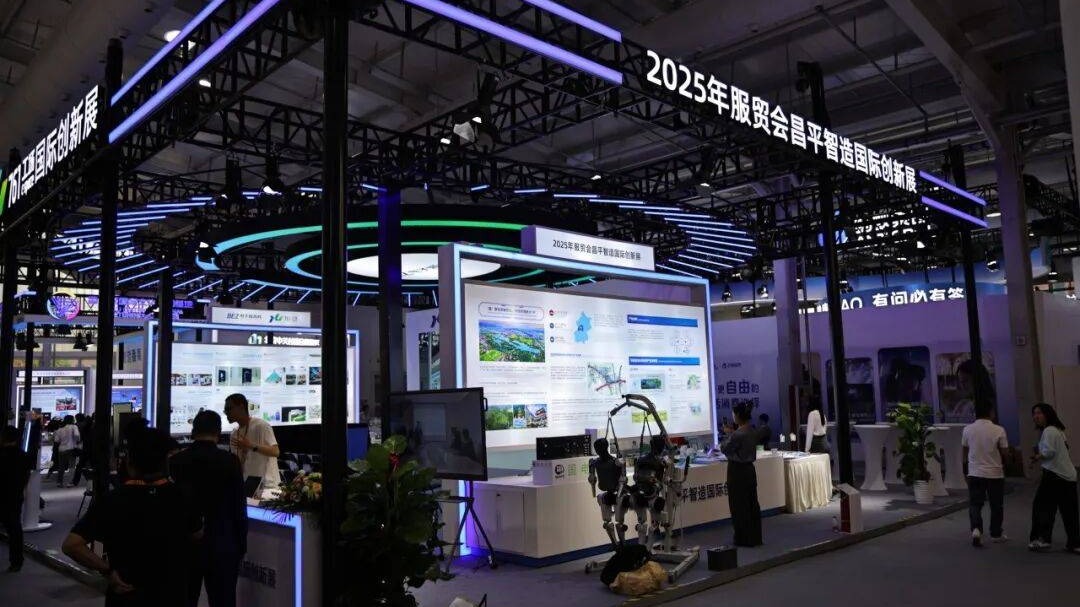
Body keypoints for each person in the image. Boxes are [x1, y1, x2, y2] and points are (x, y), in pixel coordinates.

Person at [62, 427, 201, 606]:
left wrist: (107, 570)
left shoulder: (113, 500)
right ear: (165, 461)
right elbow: (197, 534)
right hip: (172, 592)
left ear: (129, 462)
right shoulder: (181, 497)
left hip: (127, 593)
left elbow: (72, 545)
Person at [170, 411, 247, 607]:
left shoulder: (176, 461)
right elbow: (239, 507)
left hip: (185, 544)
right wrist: (241, 544)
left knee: (185, 599)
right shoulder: (230, 461)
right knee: (223, 600)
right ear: (218, 431)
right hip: (223, 542)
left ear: (194, 430)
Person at [1028, 403, 1079, 553]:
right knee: (1069, 511)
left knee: (1042, 507)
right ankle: (1075, 543)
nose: (1036, 416)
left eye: (1039, 413)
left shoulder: (1049, 430)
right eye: (1034, 413)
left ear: (1047, 414)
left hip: (1053, 474)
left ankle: (1042, 539)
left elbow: (1049, 452)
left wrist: (1036, 457)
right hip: (1068, 475)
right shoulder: (1059, 430)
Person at [962, 400, 1009, 547]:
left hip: (975, 472)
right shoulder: (999, 430)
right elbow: (1005, 452)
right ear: (991, 412)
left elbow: (964, 452)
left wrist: (965, 470)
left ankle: (976, 530)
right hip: (995, 473)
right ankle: (996, 533)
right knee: (996, 505)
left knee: (975, 503)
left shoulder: (967, 429)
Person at [721, 403, 762, 547]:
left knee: (739, 505)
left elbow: (725, 448)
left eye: (733, 414)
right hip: (749, 470)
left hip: (737, 471)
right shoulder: (752, 431)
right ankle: (755, 537)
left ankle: (743, 538)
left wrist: (728, 434)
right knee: (752, 503)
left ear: (737, 415)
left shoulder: (737, 434)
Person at [224, 394, 280, 493]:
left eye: (229, 409)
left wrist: (250, 446)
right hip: (248, 486)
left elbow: (275, 452)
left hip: (268, 486)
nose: (226, 413)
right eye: (225, 411)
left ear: (241, 407)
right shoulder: (234, 434)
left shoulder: (261, 425)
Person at [0, 425, 32, 572]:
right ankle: (16, 561)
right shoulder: (23, 456)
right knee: (15, 529)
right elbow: (26, 476)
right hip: (15, 495)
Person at [53, 415, 81, 487]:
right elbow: (77, 435)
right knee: (71, 466)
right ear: (72, 420)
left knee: (61, 467)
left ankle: (59, 482)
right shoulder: (74, 427)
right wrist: (77, 441)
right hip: (71, 448)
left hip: (61, 449)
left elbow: (56, 440)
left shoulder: (60, 429)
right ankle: (70, 482)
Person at [72, 414, 94, 486]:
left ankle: (75, 482)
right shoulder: (90, 425)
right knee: (87, 465)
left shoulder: (82, 426)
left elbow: (80, 438)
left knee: (80, 465)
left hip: (86, 448)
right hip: (90, 448)